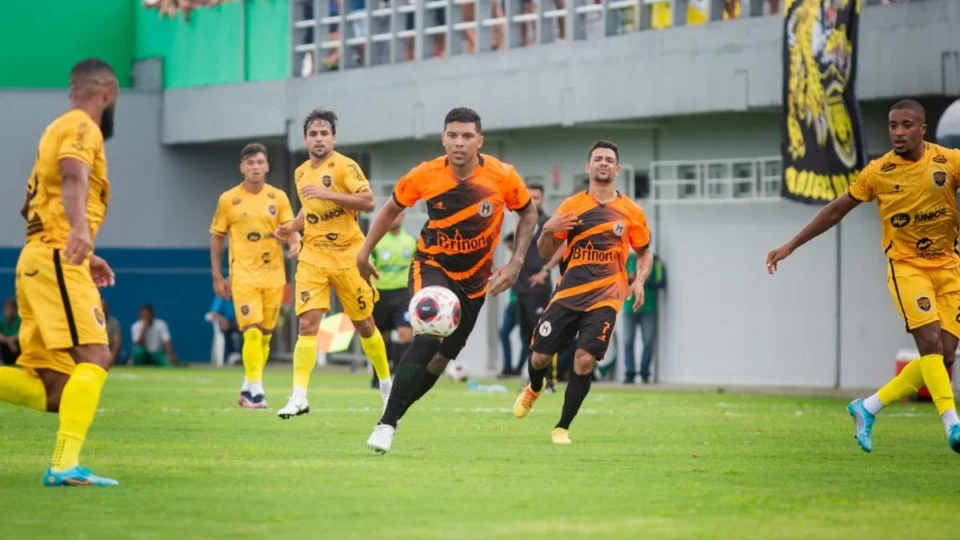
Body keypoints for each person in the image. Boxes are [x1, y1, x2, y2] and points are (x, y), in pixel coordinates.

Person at [767, 99, 960, 454]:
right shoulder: (878, 172)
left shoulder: (949, 161)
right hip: (907, 267)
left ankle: (868, 407)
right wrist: (791, 245)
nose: (898, 132)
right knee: (930, 345)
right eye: (892, 125)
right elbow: (837, 209)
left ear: (922, 129)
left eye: (906, 125)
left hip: (948, 267)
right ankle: (953, 424)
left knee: (946, 356)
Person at [358, 107, 539, 454]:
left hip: (474, 282)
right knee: (427, 337)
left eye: (467, 136)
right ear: (443, 139)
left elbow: (528, 212)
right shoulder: (425, 175)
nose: (459, 143)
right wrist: (364, 253)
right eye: (452, 135)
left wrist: (516, 261)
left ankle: (394, 411)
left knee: (440, 361)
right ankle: (386, 424)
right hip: (432, 265)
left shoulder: (502, 176)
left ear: (479, 141)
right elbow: (391, 209)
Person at [0, 58, 121, 486]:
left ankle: (66, 465)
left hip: (41, 257)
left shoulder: (54, 129)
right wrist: (81, 234)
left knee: (55, 389)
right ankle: (65, 467)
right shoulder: (81, 127)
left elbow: (26, 205)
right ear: (106, 92)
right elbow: (73, 175)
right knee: (95, 357)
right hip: (55, 258)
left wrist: (85, 251)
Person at [513, 140, 652, 444]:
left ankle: (562, 427)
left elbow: (644, 252)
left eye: (609, 159)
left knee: (584, 359)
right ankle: (534, 388)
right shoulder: (572, 207)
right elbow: (544, 248)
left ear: (617, 168)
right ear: (588, 167)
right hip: (568, 293)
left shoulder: (631, 211)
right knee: (538, 358)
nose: (603, 163)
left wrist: (639, 279)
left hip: (606, 296)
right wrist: (548, 229)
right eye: (598, 159)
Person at [273, 109, 392, 419]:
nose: (319, 138)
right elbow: (309, 210)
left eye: (324, 133)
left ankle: (385, 385)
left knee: (365, 325)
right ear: (305, 139)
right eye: (313, 134)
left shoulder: (345, 166)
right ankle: (299, 395)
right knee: (308, 324)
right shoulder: (300, 173)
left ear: (334, 138)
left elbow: (368, 201)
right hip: (313, 257)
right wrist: (291, 229)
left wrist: (328, 193)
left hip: (348, 256)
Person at [210, 143, 297, 409]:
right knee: (252, 331)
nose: (255, 167)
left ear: (267, 165)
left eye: (260, 162)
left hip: (273, 275)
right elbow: (217, 237)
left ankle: (248, 387)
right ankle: (257, 392)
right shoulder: (228, 199)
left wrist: (295, 242)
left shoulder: (279, 197)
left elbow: (291, 228)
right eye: (250, 163)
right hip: (244, 275)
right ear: (242, 167)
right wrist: (217, 275)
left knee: (266, 335)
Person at [512, 183, 563, 390]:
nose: (533, 201)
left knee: (544, 332)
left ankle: (549, 381)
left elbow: (562, 246)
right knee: (526, 335)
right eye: (529, 197)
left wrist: (546, 270)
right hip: (521, 286)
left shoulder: (548, 222)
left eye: (537, 197)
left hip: (539, 285)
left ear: (543, 199)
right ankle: (533, 380)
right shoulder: (523, 221)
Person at [370, 210, 417, 389]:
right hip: (380, 293)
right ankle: (379, 377)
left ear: (403, 217)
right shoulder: (376, 241)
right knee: (381, 337)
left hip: (402, 294)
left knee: (406, 334)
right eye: (390, 215)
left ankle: (401, 377)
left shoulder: (411, 241)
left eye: (397, 215)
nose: (393, 218)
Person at [622, 252, 665, 384]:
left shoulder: (655, 261)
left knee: (648, 341)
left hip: (649, 309)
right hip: (629, 307)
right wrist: (629, 279)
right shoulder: (627, 259)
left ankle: (645, 373)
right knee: (628, 341)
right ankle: (630, 373)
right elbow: (617, 279)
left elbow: (661, 283)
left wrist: (645, 282)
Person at [0, 299, 21, 366]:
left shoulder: (20, 320)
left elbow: (22, 334)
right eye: (7, 309)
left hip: (17, 346)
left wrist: (11, 340)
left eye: (12, 309)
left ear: (16, 310)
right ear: (4, 310)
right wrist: (9, 342)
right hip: (5, 347)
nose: (10, 311)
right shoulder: (1, 320)